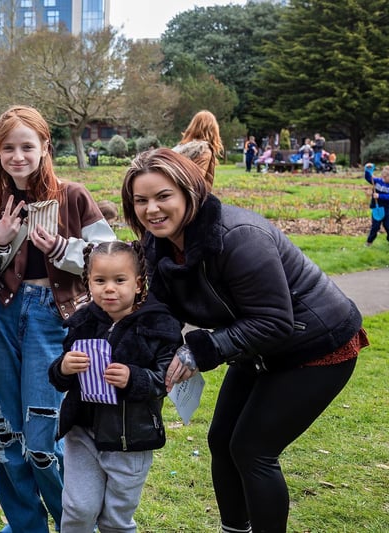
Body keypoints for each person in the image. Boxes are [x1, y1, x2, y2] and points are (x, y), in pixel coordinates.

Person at [120, 148, 367, 533]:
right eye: (140, 200)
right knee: (222, 440)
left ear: (189, 192)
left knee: (253, 450)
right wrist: (129, 339)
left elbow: (274, 321)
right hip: (257, 349)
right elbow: (161, 309)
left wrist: (200, 350)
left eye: (163, 196)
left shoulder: (238, 237)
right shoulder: (159, 243)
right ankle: (234, 529)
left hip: (317, 345)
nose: (151, 209)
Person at [0, 105, 116, 533]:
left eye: (27, 146)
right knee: (5, 430)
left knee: (43, 433)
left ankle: (70, 523)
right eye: (8, 148)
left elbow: (110, 258)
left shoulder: (73, 196)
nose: (18, 156)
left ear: (44, 148)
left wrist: (61, 248)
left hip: (52, 319)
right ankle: (25, 524)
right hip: (2, 315)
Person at [48, 241, 182, 533]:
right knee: (78, 509)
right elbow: (61, 376)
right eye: (100, 280)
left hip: (129, 438)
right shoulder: (81, 321)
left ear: (138, 284)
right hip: (83, 432)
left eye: (119, 280)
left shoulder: (158, 326)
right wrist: (63, 367)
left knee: (115, 521)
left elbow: (166, 379)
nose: (109, 288)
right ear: (88, 283)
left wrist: (135, 378)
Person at [173, 109, 223, 190]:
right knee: (214, 202)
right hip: (190, 195)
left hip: (175, 190)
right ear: (213, 129)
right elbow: (196, 181)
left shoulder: (180, 148)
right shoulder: (204, 150)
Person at [364, 163, 389, 246]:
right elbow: (369, 178)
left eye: (386, 177)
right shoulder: (378, 181)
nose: (384, 178)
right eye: (383, 176)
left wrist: (379, 196)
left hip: (387, 209)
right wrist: (368, 170)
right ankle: (369, 242)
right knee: (375, 227)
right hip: (377, 208)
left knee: (388, 226)